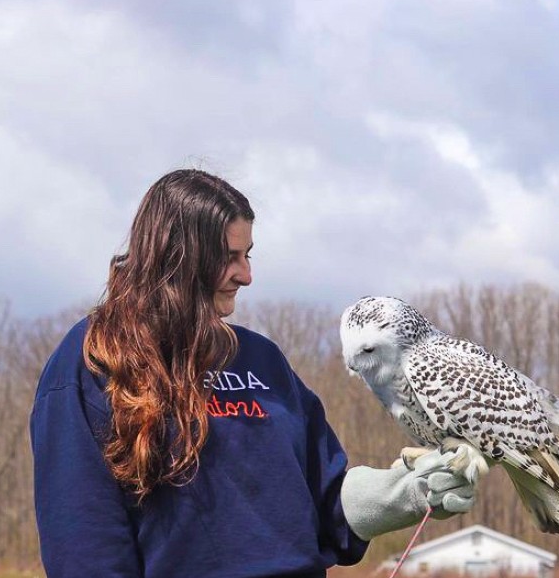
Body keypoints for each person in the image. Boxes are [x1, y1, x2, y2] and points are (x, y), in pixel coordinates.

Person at [30, 169, 479, 578]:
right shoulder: (91, 361)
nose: (246, 275)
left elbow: (326, 501)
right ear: (175, 257)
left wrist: (398, 494)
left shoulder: (261, 361)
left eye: (248, 254)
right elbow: (83, 548)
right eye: (229, 257)